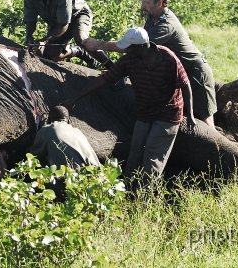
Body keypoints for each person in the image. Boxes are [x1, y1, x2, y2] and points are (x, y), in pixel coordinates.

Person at [61, 27, 196, 182]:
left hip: (168, 113)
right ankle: (128, 188)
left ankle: (144, 196)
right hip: (145, 112)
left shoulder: (167, 57)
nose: (125, 50)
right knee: (135, 152)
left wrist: (190, 114)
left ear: (140, 47)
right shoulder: (129, 59)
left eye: (129, 47)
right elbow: (104, 79)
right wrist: (74, 99)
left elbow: (185, 85)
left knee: (153, 156)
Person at [84, 0, 217, 128]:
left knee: (205, 121)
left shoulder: (166, 25)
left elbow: (132, 47)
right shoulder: (152, 18)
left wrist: (98, 44)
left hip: (196, 74)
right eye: (142, 2)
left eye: (146, 2)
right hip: (176, 73)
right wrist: (118, 72)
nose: (143, 6)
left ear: (159, 2)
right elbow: (140, 53)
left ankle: (220, 151)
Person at [24, 0, 113, 69]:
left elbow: (64, 25)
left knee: (82, 40)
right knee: (50, 56)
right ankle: (78, 51)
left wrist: (44, 41)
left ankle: (110, 66)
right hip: (57, 23)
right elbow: (30, 19)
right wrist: (29, 36)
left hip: (78, 15)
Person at [27, 106, 100, 170]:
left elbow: (34, 155)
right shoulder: (78, 132)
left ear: (49, 120)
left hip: (69, 177)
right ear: (68, 120)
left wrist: (27, 150)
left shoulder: (46, 130)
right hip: (94, 174)